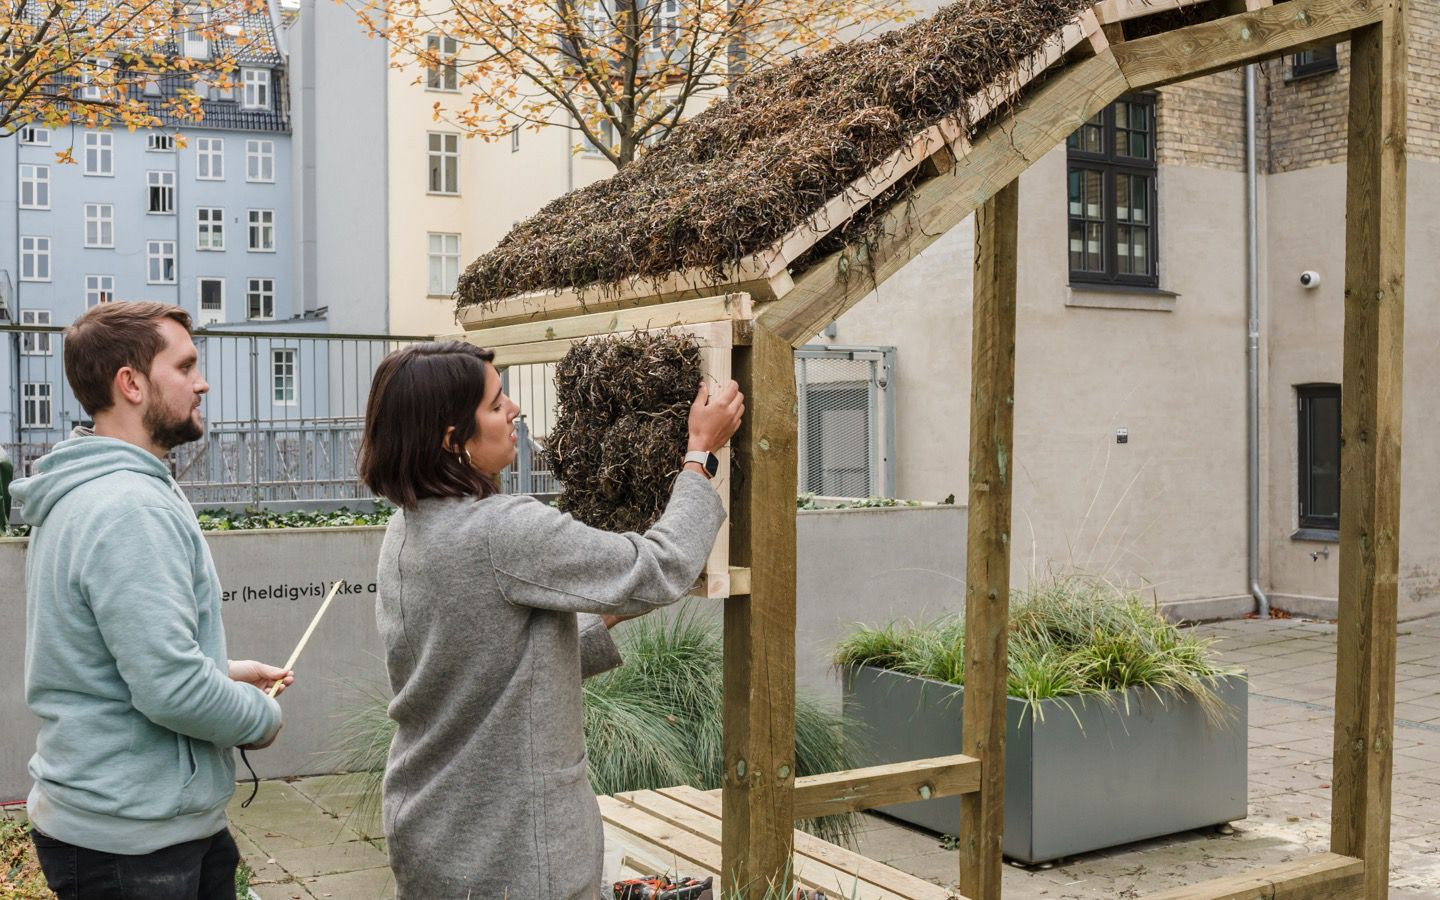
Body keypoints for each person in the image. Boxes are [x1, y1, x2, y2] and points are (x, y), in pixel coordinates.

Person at [358, 340, 743, 899]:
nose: (514, 409)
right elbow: (660, 565)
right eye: (495, 404)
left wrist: (598, 608)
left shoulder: (408, 528)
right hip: (515, 854)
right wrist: (699, 454)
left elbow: (481, 662)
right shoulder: (502, 531)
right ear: (451, 438)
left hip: (433, 834)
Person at [12, 302, 293, 900]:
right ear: (132, 383)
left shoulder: (92, 491)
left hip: (130, 826)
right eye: (186, 365)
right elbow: (171, 689)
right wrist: (260, 720)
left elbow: (118, 661)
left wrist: (222, 672)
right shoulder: (127, 507)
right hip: (131, 841)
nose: (203, 381)